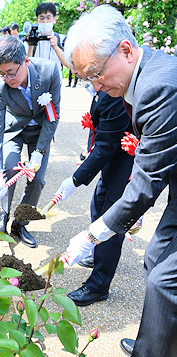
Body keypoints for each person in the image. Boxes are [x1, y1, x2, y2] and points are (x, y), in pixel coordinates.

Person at [63, 5, 177, 357]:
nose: (95, 86)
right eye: (87, 79)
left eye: (96, 74)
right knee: (155, 257)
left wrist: (92, 233)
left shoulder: (158, 88)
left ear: (125, 50)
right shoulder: (141, 76)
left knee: (164, 282)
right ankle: (157, 341)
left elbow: (145, 183)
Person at [56, 91, 134, 305]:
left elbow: (105, 145)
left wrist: (75, 179)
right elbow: (98, 131)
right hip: (111, 160)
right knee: (97, 206)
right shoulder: (102, 89)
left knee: (111, 222)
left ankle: (98, 286)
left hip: (126, 162)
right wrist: (87, 153)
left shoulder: (115, 92)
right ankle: (99, 255)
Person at [0, 35, 60, 249]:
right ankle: (3, 213)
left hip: (41, 132)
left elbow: (52, 116)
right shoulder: (0, 87)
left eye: (11, 72)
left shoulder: (49, 72)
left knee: (37, 179)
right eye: (2, 74)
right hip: (15, 131)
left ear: (25, 61)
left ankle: (20, 223)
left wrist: (38, 151)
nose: (7, 78)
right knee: (10, 169)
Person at [27, 2, 63, 81]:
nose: (45, 22)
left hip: (55, 83)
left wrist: (56, 48)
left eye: (48, 18)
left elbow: (68, 64)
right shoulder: (32, 39)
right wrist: (30, 47)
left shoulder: (61, 38)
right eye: (42, 18)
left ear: (54, 19)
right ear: (37, 20)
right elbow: (27, 64)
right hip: (36, 82)